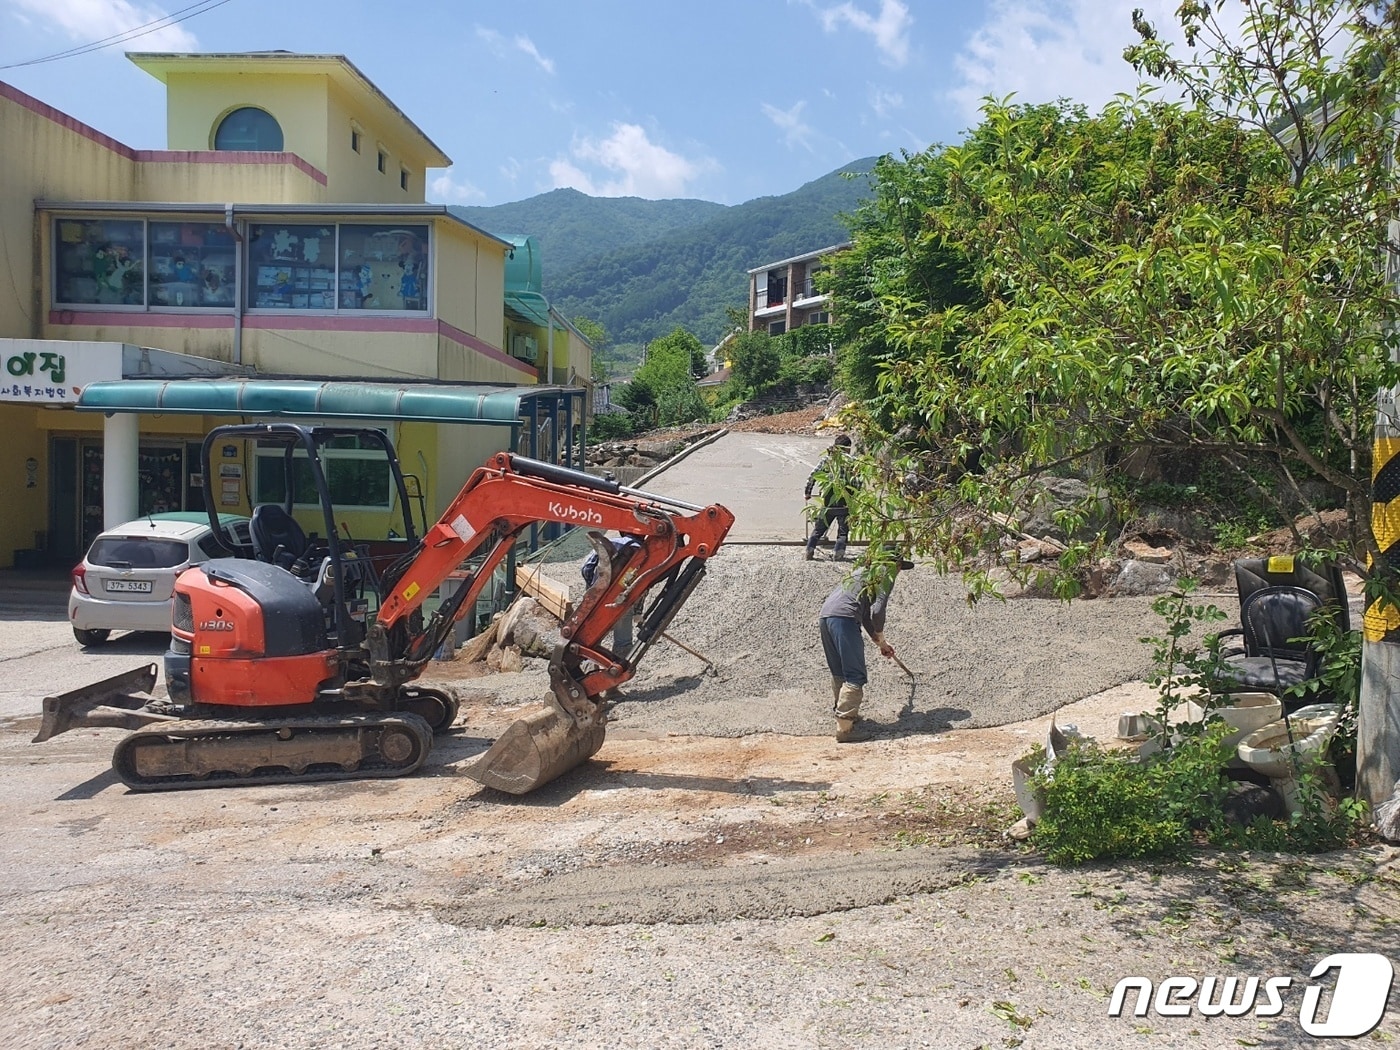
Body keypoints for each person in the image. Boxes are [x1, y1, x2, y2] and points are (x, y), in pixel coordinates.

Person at [818, 550, 914, 742]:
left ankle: (843, 714)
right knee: (855, 675)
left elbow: (864, 614)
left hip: (826, 617)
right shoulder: (885, 575)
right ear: (894, 565)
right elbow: (877, 612)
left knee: (840, 672)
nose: (899, 572)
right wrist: (880, 632)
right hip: (845, 619)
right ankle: (845, 729)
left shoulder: (862, 572)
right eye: (900, 567)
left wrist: (880, 642)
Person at [581, 534, 643, 655]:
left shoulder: (610, 542)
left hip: (598, 597)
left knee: (590, 636)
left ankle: (588, 664)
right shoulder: (644, 551)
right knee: (623, 641)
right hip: (624, 598)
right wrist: (638, 612)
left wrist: (592, 586)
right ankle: (619, 667)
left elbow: (586, 568)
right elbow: (643, 584)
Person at [805, 434, 854, 561]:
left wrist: (808, 492)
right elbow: (858, 482)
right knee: (843, 531)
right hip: (846, 501)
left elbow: (813, 476)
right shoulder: (852, 461)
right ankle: (838, 554)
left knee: (819, 529)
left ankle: (809, 550)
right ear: (848, 447)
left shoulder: (827, 460)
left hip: (828, 501)